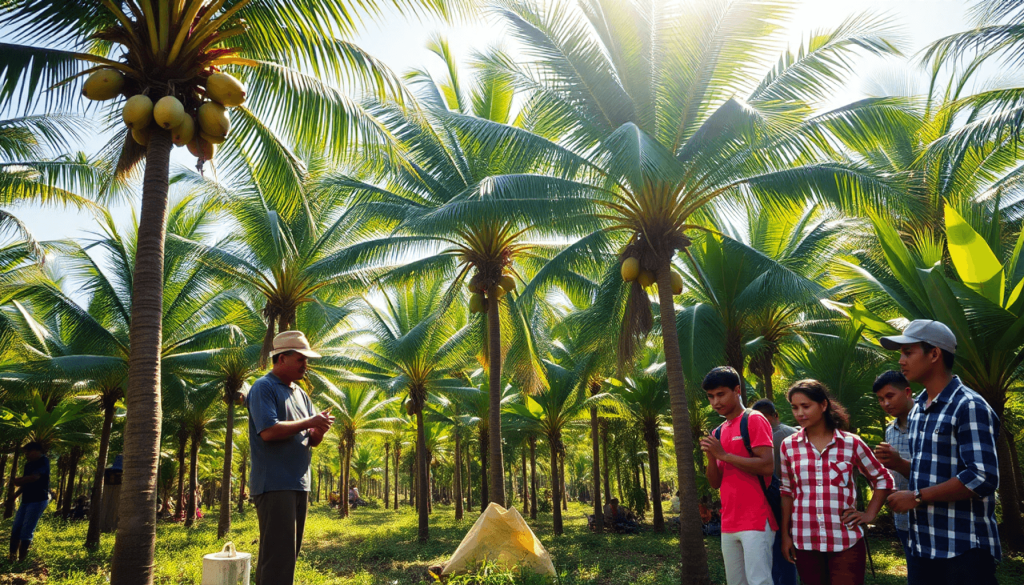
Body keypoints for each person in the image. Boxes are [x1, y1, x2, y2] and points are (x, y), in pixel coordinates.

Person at [880, 320, 1001, 585]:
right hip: (924, 546)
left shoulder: (968, 406)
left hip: (964, 551)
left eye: (908, 352)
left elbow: (982, 477)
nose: (900, 361)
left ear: (934, 354)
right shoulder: (918, 410)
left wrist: (916, 496)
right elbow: (931, 471)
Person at [779, 380, 894, 585]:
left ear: (823, 405)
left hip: (846, 539)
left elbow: (883, 479)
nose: (799, 413)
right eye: (795, 407)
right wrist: (786, 535)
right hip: (805, 540)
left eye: (806, 406)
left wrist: (869, 514)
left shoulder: (851, 443)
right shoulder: (788, 447)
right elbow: (787, 492)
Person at [247, 330, 335, 585]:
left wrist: (318, 430)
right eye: (301, 359)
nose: (305, 365)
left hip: (299, 483)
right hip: (274, 484)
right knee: (278, 557)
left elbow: (310, 440)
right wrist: (310, 420)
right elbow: (268, 431)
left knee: (286, 555)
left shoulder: (300, 394)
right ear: (281, 358)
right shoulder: (264, 387)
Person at [700, 366, 777, 585]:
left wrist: (723, 454)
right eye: (711, 397)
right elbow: (715, 483)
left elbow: (767, 466)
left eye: (721, 394)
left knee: (759, 581)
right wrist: (711, 456)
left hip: (756, 518)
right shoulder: (718, 431)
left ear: (737, 390)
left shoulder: (753, 419)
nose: (715, 402)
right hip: (729, 521)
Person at [870, 370, 916, 582]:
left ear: (907, 392)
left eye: (890, 396)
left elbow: (936, 473)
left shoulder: (927, 423)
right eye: (880, 399)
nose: (885, 404)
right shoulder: (891, 431)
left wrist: (898, 462)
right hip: (903, 520)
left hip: (931, 517)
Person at [751, 399, 799, 585]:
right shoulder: (795, 433)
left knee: (779, 553)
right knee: (787, 552)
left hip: (776, 501)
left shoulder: (767, 438)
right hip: (795, 501)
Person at [8, 442, 50, 563]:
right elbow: (26, 483)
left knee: (26, 530)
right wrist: (15, 495)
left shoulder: (43, 461)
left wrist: (19, 480)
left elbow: (35, 477)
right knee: (16, 528)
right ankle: (11, 558)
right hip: (26, 500)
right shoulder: (28, 465)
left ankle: (21, 560)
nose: (26, 455)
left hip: (38, 500)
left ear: (37, 451)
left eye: (28, 452)